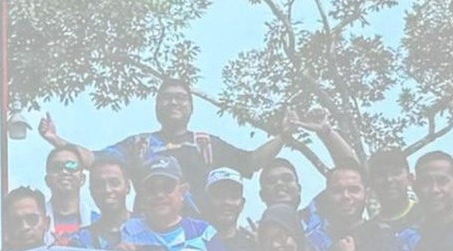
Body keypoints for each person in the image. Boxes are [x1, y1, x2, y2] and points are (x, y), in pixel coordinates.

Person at [42, 81, 294, 200]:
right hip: (147, 235)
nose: (173, 102)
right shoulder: (139, 145)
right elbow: (94, 159)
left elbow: (251, 161)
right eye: (166, 98)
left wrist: (283, 136)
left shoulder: (206, 144)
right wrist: (55, 139)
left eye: (181, 98)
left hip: (198, 236)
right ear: (156, 106)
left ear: (191, 107)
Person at [43, 143, 91, 242]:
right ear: (47, 180)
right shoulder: (35, 224)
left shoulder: (96, 221)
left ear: (82, 178)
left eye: (71, 166)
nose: (64, 172)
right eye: (57, 167)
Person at [0, 185, 53, 251]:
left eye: (32, 219)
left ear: (46, 223)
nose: (25, 227)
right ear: (7, 228)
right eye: (16, 222)